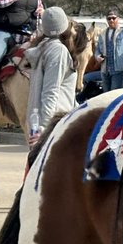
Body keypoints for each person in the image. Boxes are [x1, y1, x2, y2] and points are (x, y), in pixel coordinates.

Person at [25, 7, 77, 146]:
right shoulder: (58, 51)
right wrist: (45, 129)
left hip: (40, 124)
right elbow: (51, 92)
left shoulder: (42, 47)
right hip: (54, 127)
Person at [94, 9, 123, 92]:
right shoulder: (103, 33)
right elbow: (97, 50)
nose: (111, 20)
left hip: (118, 69)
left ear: (118, 18)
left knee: (115, 94)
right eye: (109, 18)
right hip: (105, 70)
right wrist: (98, 57)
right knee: (106, 95)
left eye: (113, 18)